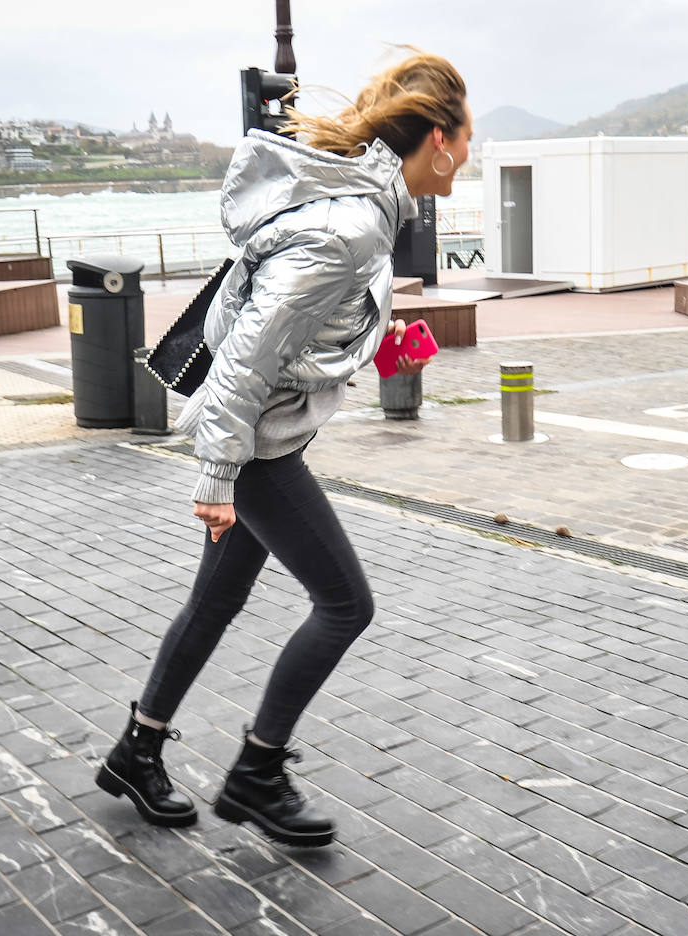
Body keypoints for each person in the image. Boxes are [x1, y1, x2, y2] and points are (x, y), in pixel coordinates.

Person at [95, 53, 472, 847]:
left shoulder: (362, 209)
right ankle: (258, 773)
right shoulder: (351, 227)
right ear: (439, 139)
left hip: (257, 443)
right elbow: (245, 358)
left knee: (215, 600)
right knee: (346, 605)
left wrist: (374, 344)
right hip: (257, 454)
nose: (470, 155)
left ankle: (138, 748)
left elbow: (293, 331)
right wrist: (218, 478)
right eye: (469, 138)